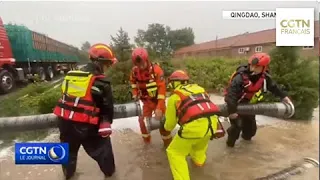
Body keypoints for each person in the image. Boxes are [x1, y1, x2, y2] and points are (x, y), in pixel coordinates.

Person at [53, 43, 118, 179]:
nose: (108, 68)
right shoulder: (101, 82)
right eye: (108, 64)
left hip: (65, 123)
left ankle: (68, 175)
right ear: (101, 63)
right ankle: (110, 175)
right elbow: (107, 108)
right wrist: (106, 123)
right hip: (87, 126)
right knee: (103, 152)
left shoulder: (71, 75)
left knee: (68, 155)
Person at [164, 70, 225, 180]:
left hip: (193, 129)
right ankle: (199, 166)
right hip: (212, 126)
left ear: (174, 83)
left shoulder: (174, 97)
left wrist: (165, 127)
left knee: (174, 153)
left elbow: (170, 125)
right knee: (198, 149)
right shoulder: (200, 90)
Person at [224, 52, 292, 148]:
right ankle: (229, 146)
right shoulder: (240, 77)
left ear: (264, 68)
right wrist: (232, 111)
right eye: (252, 66)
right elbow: (231, 94)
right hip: (235, 104)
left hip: (249, 105)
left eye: (257, 67)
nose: (253, 69)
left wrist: (284, 97)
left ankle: (246, 145)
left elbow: (274, 87)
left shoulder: (265, 78)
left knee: (250, 130)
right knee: (237, 127)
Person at [129, 47, 172, 147]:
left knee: (163, 124)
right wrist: (135, 93)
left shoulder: (156, 70)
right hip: (146, 102)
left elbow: (162, 89)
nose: (140, 66)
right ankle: (147, 145)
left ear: (146, 60)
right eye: (137, 64)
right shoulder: (134, 71)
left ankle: (168, 145)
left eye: (142, 63)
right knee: (142, 122)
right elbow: (133, 83)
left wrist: (159, 107)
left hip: (158, 101)